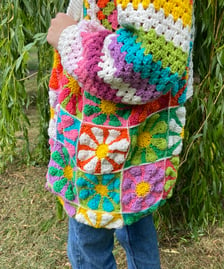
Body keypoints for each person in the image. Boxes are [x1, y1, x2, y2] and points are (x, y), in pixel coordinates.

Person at [46, 1, 194, 268]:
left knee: (88, 239)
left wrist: (68, 37)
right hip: (109, 130)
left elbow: (150, 59)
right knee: (133, 214)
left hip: (106, 131)